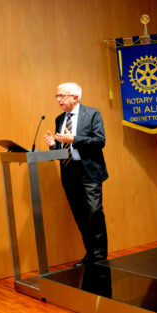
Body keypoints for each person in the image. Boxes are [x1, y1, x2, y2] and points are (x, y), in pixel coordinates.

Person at [44, 83, 108, 267]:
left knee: (94, 214)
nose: (58, 100)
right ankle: (90, 254)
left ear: (75, 97)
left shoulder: (92, 114)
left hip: (89, 172)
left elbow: (100, 141)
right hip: (69, 172)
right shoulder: (59, 119)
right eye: (57, 96)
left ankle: (100, 258)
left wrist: (74, 139)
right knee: (80, 216)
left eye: (62, 96)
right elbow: (63, 148)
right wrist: (52, 145)